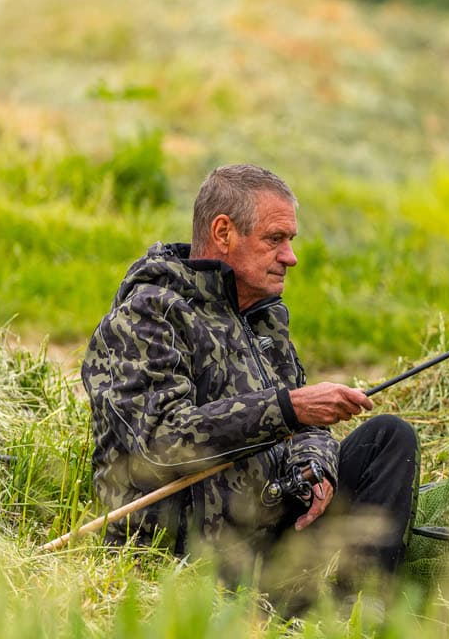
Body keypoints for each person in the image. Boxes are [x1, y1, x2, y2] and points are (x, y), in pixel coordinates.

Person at [81, 163, 419, 602]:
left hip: (270, 535)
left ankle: (358, 615)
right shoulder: (149, 314)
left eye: (290, 241)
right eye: (274, 239)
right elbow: (159, 445)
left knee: (389, 439)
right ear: (224, 233)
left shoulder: (265, 315)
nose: (290, 256)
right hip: (185, 561)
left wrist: (313, 465)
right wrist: (287, 409)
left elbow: (308, 428)